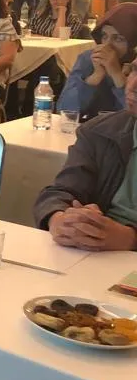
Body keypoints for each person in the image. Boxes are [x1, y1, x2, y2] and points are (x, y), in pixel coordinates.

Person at [33, 68, 137, 251]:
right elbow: (61, 191)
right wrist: (60, 219)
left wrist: (130, 239)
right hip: (96, 249)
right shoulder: (100, 131)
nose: (133, 85)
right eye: (135, 70)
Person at [58, 3, 137, 117]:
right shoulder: (90, 58)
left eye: (118, 39)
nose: (107, 46)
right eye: (104, 36)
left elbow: (133, 115)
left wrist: (117, 76)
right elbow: (64, 111)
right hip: (91, 126)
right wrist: (94, 77)